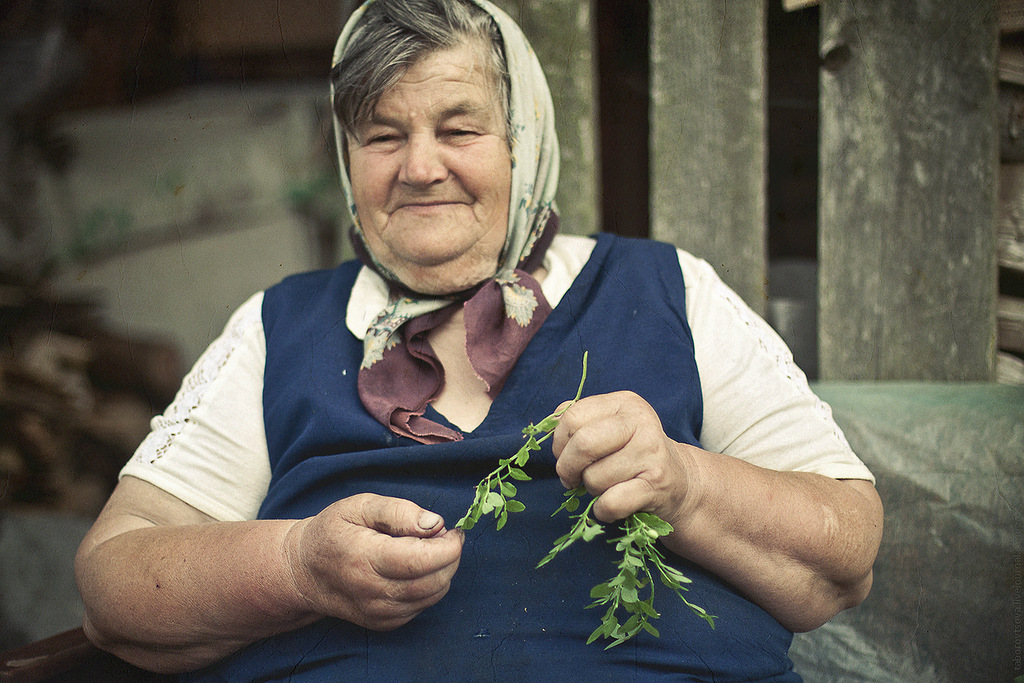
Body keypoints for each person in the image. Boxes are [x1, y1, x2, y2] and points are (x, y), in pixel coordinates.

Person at [74, 0, 883, 680]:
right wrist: (296, 566)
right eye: (383, 136)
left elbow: (844, 549)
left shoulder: (666, 289)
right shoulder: (278, 326)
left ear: (523, 140)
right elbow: (114, 582)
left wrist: (688, 484)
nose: (420, 166)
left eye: (459, 129)